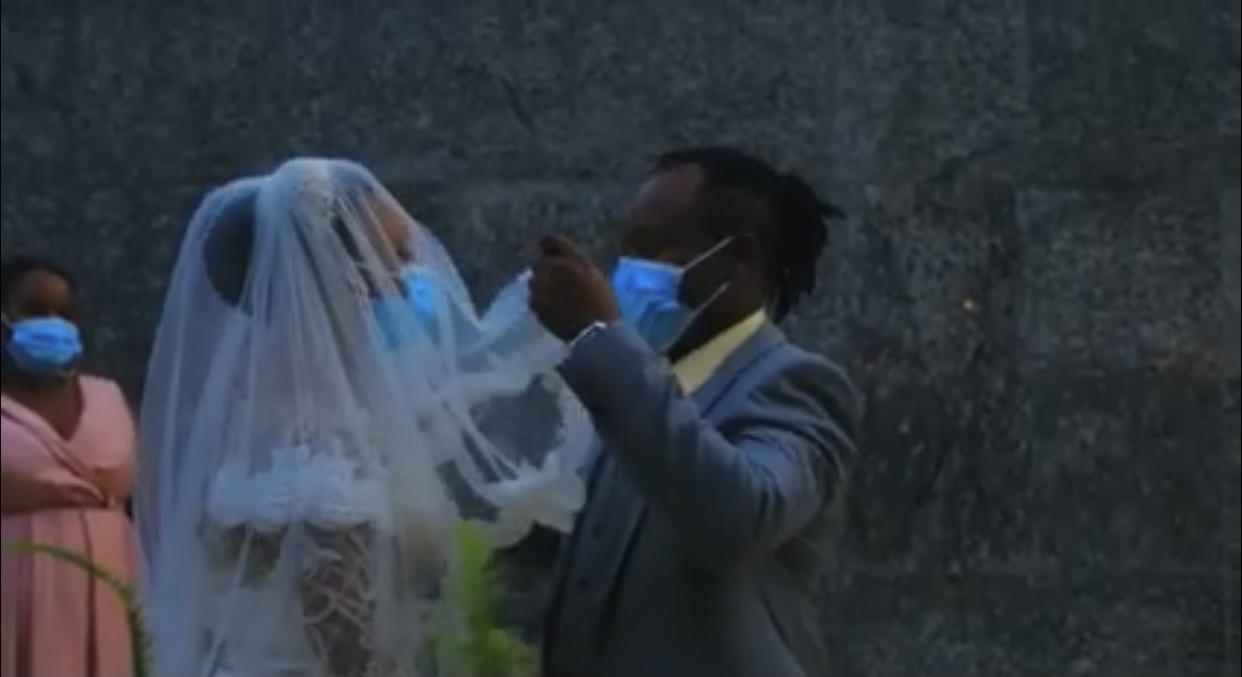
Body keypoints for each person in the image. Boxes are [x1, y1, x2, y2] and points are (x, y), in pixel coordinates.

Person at [137, 157, 590, 676]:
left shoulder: (255, 396)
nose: (410, 280)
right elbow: (349, 649)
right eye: (396, 257)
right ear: (341, 272)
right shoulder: (316, 429)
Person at [525, 146, 861, 676]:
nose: (626, 273)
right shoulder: (637, 383)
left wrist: (600, 336)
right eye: (624, 250)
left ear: (739, 258)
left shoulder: (795, 384)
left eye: (651, 248)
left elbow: (741, 518)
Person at [0, 256, 140, 677]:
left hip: (109, 584)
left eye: (64, 313)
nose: (52, 322)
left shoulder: (108, 397)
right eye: (35, 309)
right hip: (15, 593)